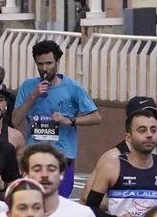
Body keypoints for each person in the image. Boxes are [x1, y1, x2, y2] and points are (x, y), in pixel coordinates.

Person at [14, 38, 102, 198]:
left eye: (48, 63)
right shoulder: (28, 86)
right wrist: (33, 96)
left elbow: (96, 117)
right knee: (35, 203)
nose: (44, 68)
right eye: (40, 64)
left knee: (61, 205)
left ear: (58, 61)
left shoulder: (72, 88)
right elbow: (14, 120)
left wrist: (70, 121)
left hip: (62, 158)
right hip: (35, 157)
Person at [83, 95, 157, 217]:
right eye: (142, 130)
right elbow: (90, 207)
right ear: (128, 137)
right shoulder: (111, 164)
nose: (149, 134)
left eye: (153, 129)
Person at [15, 142, 98, 217]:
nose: (44, 175)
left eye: (51, 169)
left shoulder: (83, 216)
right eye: (37, 169)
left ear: (61, 174)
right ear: (25, 174)